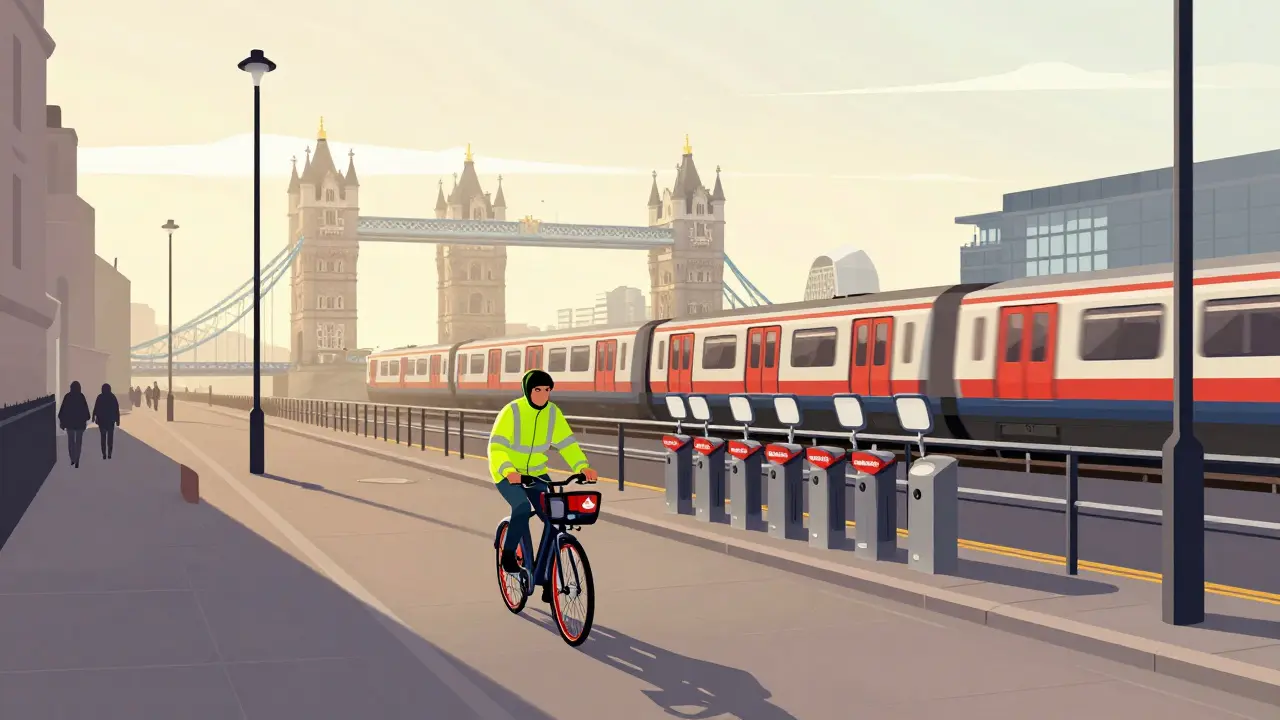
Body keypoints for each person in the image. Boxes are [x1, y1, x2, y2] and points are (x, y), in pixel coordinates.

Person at [488, 369, 598, 602]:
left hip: (537, 474)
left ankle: (546, 575)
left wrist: (582, 466)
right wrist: (508, 470)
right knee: (520, 508)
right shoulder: (513, 411)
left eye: (547, 390)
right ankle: (509, 556)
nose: (543, 395)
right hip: (508, 474)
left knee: (555, 519)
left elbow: (567, 443)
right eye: (537, 390)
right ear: (528, 391)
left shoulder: (552, 413)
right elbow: (496, 448)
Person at [57, 381, 91, 468]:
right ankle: (77, 459)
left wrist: (62, 422)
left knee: (71, 441)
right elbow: (85, 410)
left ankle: (72, 458)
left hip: (70, 424)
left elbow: (62, 411)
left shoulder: (67, 397)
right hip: (80, 424)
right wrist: (87, 417)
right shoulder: (81, 397)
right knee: (78, 442)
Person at [92, 383, 121, 460]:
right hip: (111, 421)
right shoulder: (112, 397)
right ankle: (109, 454)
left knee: (103, 438)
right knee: (110, 438)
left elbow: (96, 408)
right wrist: (118, 420)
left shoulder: (100, 397)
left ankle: (104, 453)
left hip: (102, 421)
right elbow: (116, 409)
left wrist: (93, 417)